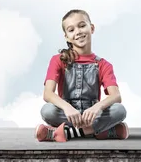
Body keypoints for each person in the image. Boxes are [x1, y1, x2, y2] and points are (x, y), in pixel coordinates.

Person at [35, 9, 129, 142]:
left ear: (91, 28)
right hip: (68, 114)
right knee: (48, 111)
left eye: (82, 25)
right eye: (71, 30)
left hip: (92, 114)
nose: (78, 32)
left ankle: (65, 133)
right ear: (66, 36)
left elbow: (116, 96)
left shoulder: (103, 64)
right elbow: (48, 94)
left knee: (119, 110)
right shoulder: (58, 60)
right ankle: (101, 131)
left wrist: (97, 107)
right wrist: (67, 108)